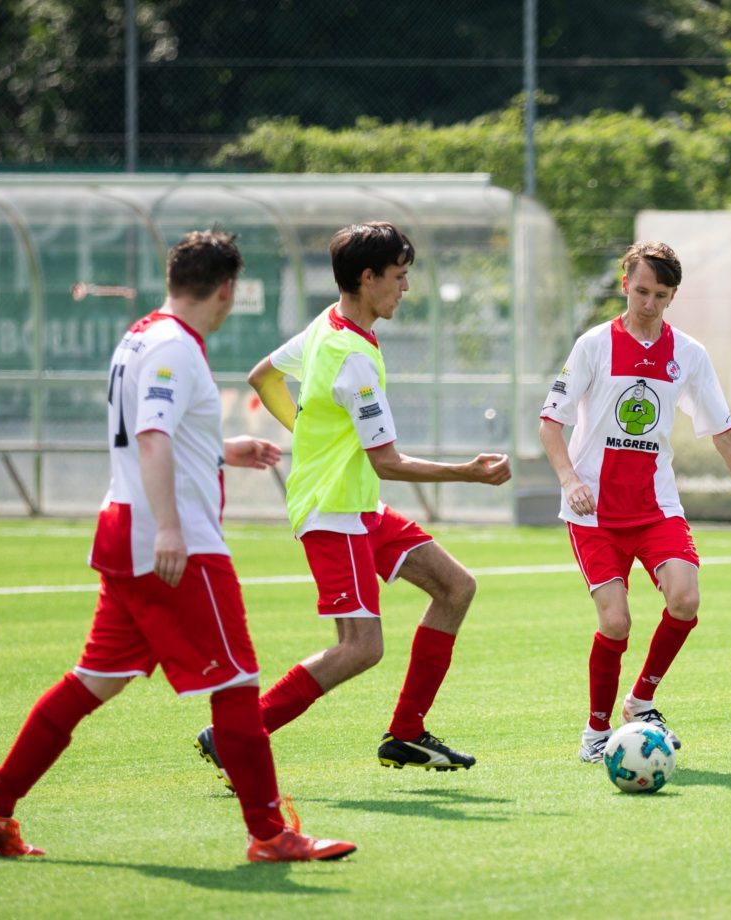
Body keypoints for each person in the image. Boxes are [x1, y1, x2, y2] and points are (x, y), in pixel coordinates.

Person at [0, 230, 355, 863]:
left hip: (123, 532)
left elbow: (155, 431)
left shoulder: (141, 335)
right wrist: (171, 528)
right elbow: (150, 437)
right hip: (174, 545)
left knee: (94, 681)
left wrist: (225, 451)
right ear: (226, 290)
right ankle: (269, 834)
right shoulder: (177, 349)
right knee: (238, 682)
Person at [193, 221, 510, 784]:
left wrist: (309, 434)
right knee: (361, 648)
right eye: (399, 276)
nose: (405, 289)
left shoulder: (329, 324)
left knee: (456, 586)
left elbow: (262, 376)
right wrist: (468, 473)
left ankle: (407, 734)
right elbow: (388, 461)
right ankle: (237, 735)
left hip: (357, 506)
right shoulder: (351, 357)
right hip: (332, 512)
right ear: (368, 278)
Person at [539, 240, 731, 764]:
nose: (649, 303)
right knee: (615, 623)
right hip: (595, 513)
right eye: (640, 291)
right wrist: (570, 480)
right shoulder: (593, 345)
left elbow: (725, 433)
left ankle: (639, 702)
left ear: (672, 295)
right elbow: (551, 422)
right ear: (624, 284)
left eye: (660, 294)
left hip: (656, 505)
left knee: (685, 600)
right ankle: (595, 733)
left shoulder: (689, 354)